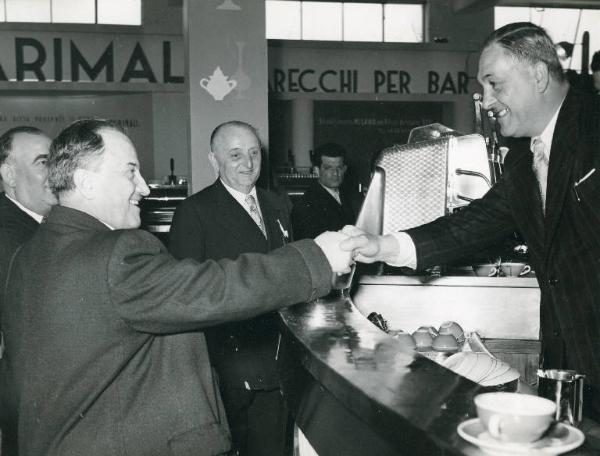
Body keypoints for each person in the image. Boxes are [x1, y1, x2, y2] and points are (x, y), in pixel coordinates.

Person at [1, 118, 352, 456]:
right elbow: (211, 288)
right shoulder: (115, 252)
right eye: (130, 172)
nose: (144, 186)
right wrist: (316, 259)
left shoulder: (29, 255)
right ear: (87, 182)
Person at [342, 22, 600, 419]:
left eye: (495, 84)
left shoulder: (593, 128)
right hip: (574, 367)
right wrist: (385, 245)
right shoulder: (525, 158)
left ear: (538, 74)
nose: (486, 99)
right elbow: (475, 223)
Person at [169, 121, 294, 456]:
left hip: (279, 362)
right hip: (228, 367)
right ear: (214, 160)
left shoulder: (278, 206)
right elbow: (184, 296)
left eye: (254, 153)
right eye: (235, 154)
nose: (248, 163)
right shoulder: (194, 211)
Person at [0, 126, 55, 456]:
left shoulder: (40, 225)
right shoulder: (11, 235)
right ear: (8, 173)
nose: (55, 172)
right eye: (43, 162)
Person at [291, 143, 362, 240]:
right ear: (316, 170)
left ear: (345, 169)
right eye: (328, 168)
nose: (335, 173)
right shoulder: (307, 204)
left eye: (339, 167)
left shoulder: (348, 197)